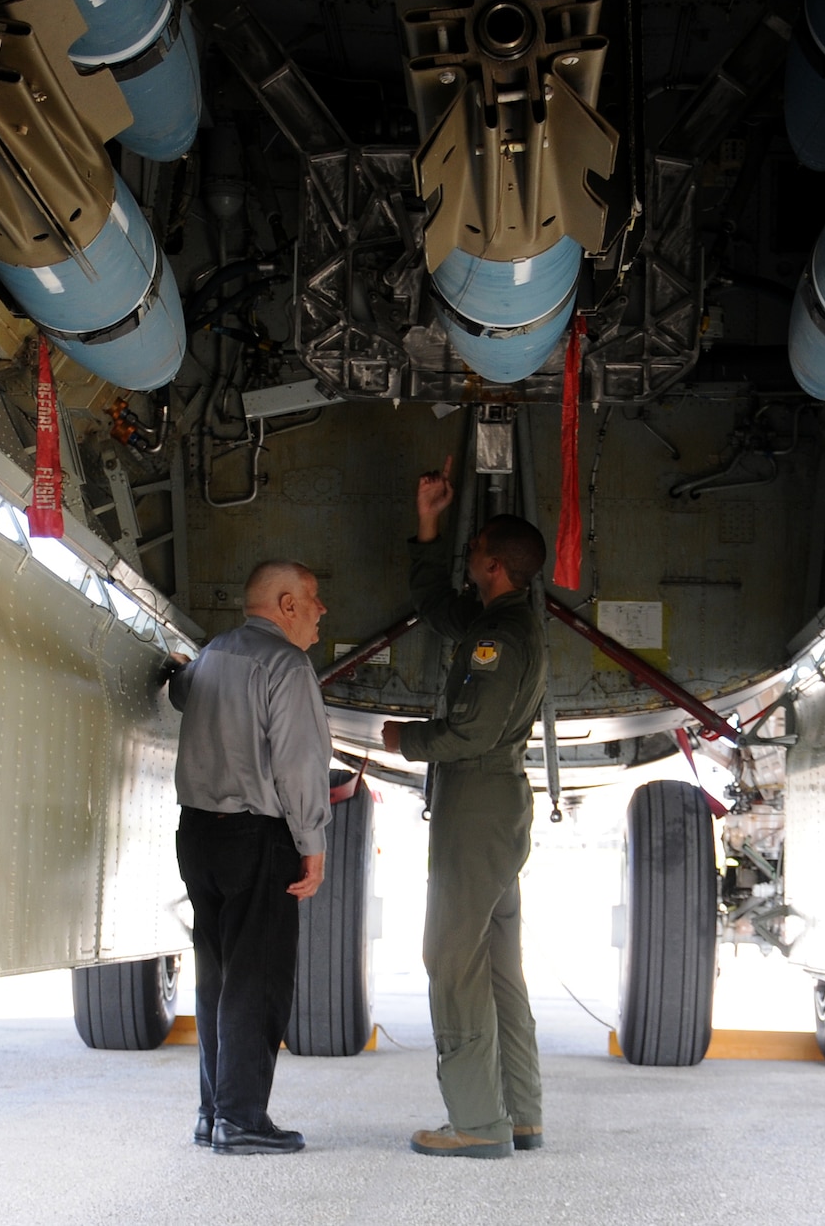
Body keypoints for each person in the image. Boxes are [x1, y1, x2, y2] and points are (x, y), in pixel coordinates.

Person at [381, 456, 549, 1160]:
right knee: (498, 963)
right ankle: (520, 1113)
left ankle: (477, 1122)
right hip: (494, 809)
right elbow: (436, 610)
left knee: (450, 957)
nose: (469, 558)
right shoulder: (503, 618)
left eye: (475, 552)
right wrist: (428, 523)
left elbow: (472, 730)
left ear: (496, 566)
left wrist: (405, 739)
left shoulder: (499, 638)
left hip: (476, 803)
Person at [167, 560, 332, 1155]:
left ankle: (213, 1112)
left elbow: (180, 690)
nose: (321, 611)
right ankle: (241, 1118)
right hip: (258, 836)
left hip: (198, 837)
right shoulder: (286, 666)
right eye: (313, 599)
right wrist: (311, 845)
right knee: (256, 979)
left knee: (216, 975)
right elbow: (299, 764)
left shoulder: (213, 655)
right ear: (285, 604)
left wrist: (182, 673)